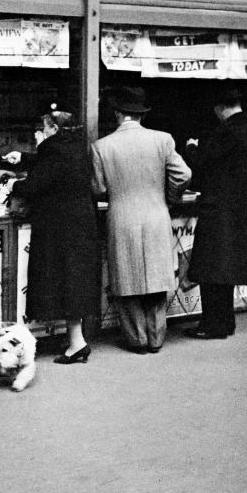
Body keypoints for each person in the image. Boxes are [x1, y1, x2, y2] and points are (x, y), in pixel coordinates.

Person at [91, 86, 192, 353]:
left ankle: (137, 339)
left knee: (127, 283)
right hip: (156, 215)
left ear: (117, 114)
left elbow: (98, 188)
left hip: (121, 220)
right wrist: (168, 199)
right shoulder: (163, 140)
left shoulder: (101, 147)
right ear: (142, 115)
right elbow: (183, 175)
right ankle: (157, 338)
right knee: (157, 281)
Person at [1, 102, 100, 362]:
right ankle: (76, 341)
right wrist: (22, 158)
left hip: (61, 230)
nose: (39, 134)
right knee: (73, 283)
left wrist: (13, 183)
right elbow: (51, 168)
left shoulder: (54, 150)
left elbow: (36, 185)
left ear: (54, 129)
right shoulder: (74, 147)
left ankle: (77, 344)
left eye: (42, 129)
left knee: (65, 283)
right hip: (78, 227)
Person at [182, 87, 247, 339]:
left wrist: (191, 147)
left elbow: (203, 163)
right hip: (242, 210)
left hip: (218, 210)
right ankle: (226, 322)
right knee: (226, 273)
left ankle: (211, 325)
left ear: (220, 108)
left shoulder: (227, 132)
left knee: (211, 271)